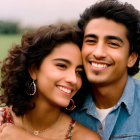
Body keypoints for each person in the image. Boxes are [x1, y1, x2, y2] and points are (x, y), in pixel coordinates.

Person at [0, 24, 101, 140]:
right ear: (34, 70)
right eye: (62, 66)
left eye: (79, 72)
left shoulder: (85, 137)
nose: (73, 79)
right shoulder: (2, 121)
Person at [70, 0, 140, 139]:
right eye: (91, 41)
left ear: (131, 58)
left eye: (113, 44)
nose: (98, 53)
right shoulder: (65, 102)